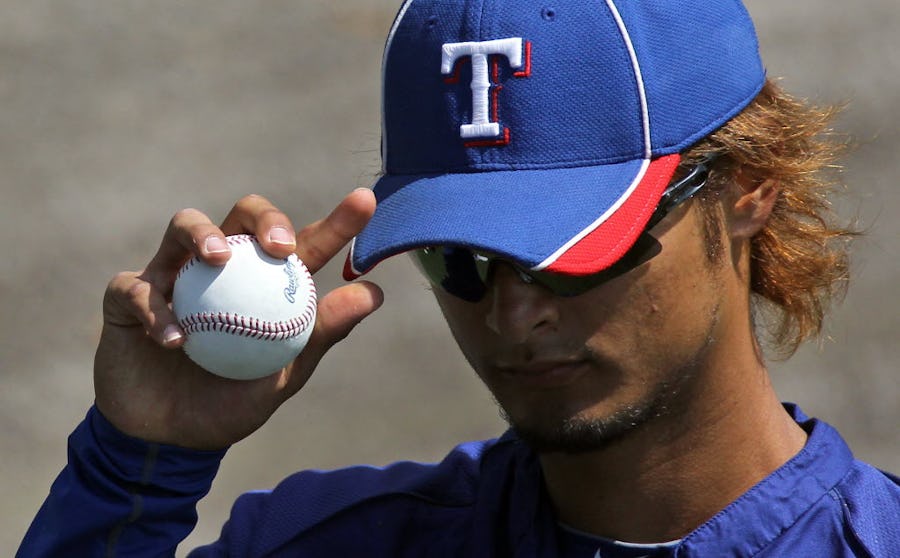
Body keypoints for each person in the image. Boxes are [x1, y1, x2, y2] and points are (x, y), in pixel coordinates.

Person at [18, 0, 900, 556]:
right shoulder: (325, 545)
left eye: (576, 251)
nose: (514, 315)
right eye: (460, 258)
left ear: (748, 189)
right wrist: (136, 469)